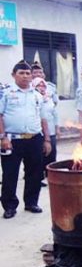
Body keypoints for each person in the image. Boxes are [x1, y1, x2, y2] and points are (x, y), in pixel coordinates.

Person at [0, 60, 52, 219]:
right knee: (10, 174)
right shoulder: (6, 94)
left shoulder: (37, 95)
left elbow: (43, 119)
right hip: (12, 140)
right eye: (21, 73)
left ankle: (31, 202)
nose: (25, 76)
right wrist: (2, 137)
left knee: (35, 173)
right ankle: (9, 206)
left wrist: (47, 140)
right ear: (13, 75)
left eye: (28, 73)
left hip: (34, 139)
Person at [32, 77, 59, 187]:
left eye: (43, 85)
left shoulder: (48, 99)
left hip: (51, 130)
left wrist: (57, 127)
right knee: (39, 155)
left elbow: (55, 114)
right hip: (38, 131)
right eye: (39, 85)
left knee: (51, 154)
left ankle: (50, 175)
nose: (42, 87)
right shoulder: (33, 98)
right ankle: (39, 177)